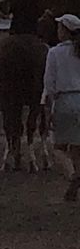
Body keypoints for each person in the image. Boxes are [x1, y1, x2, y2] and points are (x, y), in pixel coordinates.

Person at [0, 0, 47, 108]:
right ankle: (44, 94)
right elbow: (41, 13)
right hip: (32, 36)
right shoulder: (37, 0)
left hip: (15, 35)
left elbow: (4, 10)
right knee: (47, 59)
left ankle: (0, 95)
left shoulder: (14, 0)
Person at [42, 13, 80, 202]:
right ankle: (74, 187)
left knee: (57, 147)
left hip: (65, 100)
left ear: (65, 31)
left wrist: (48, 109)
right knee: (76, 146)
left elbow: (49, 84)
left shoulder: (54, 53)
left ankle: (73, 174)